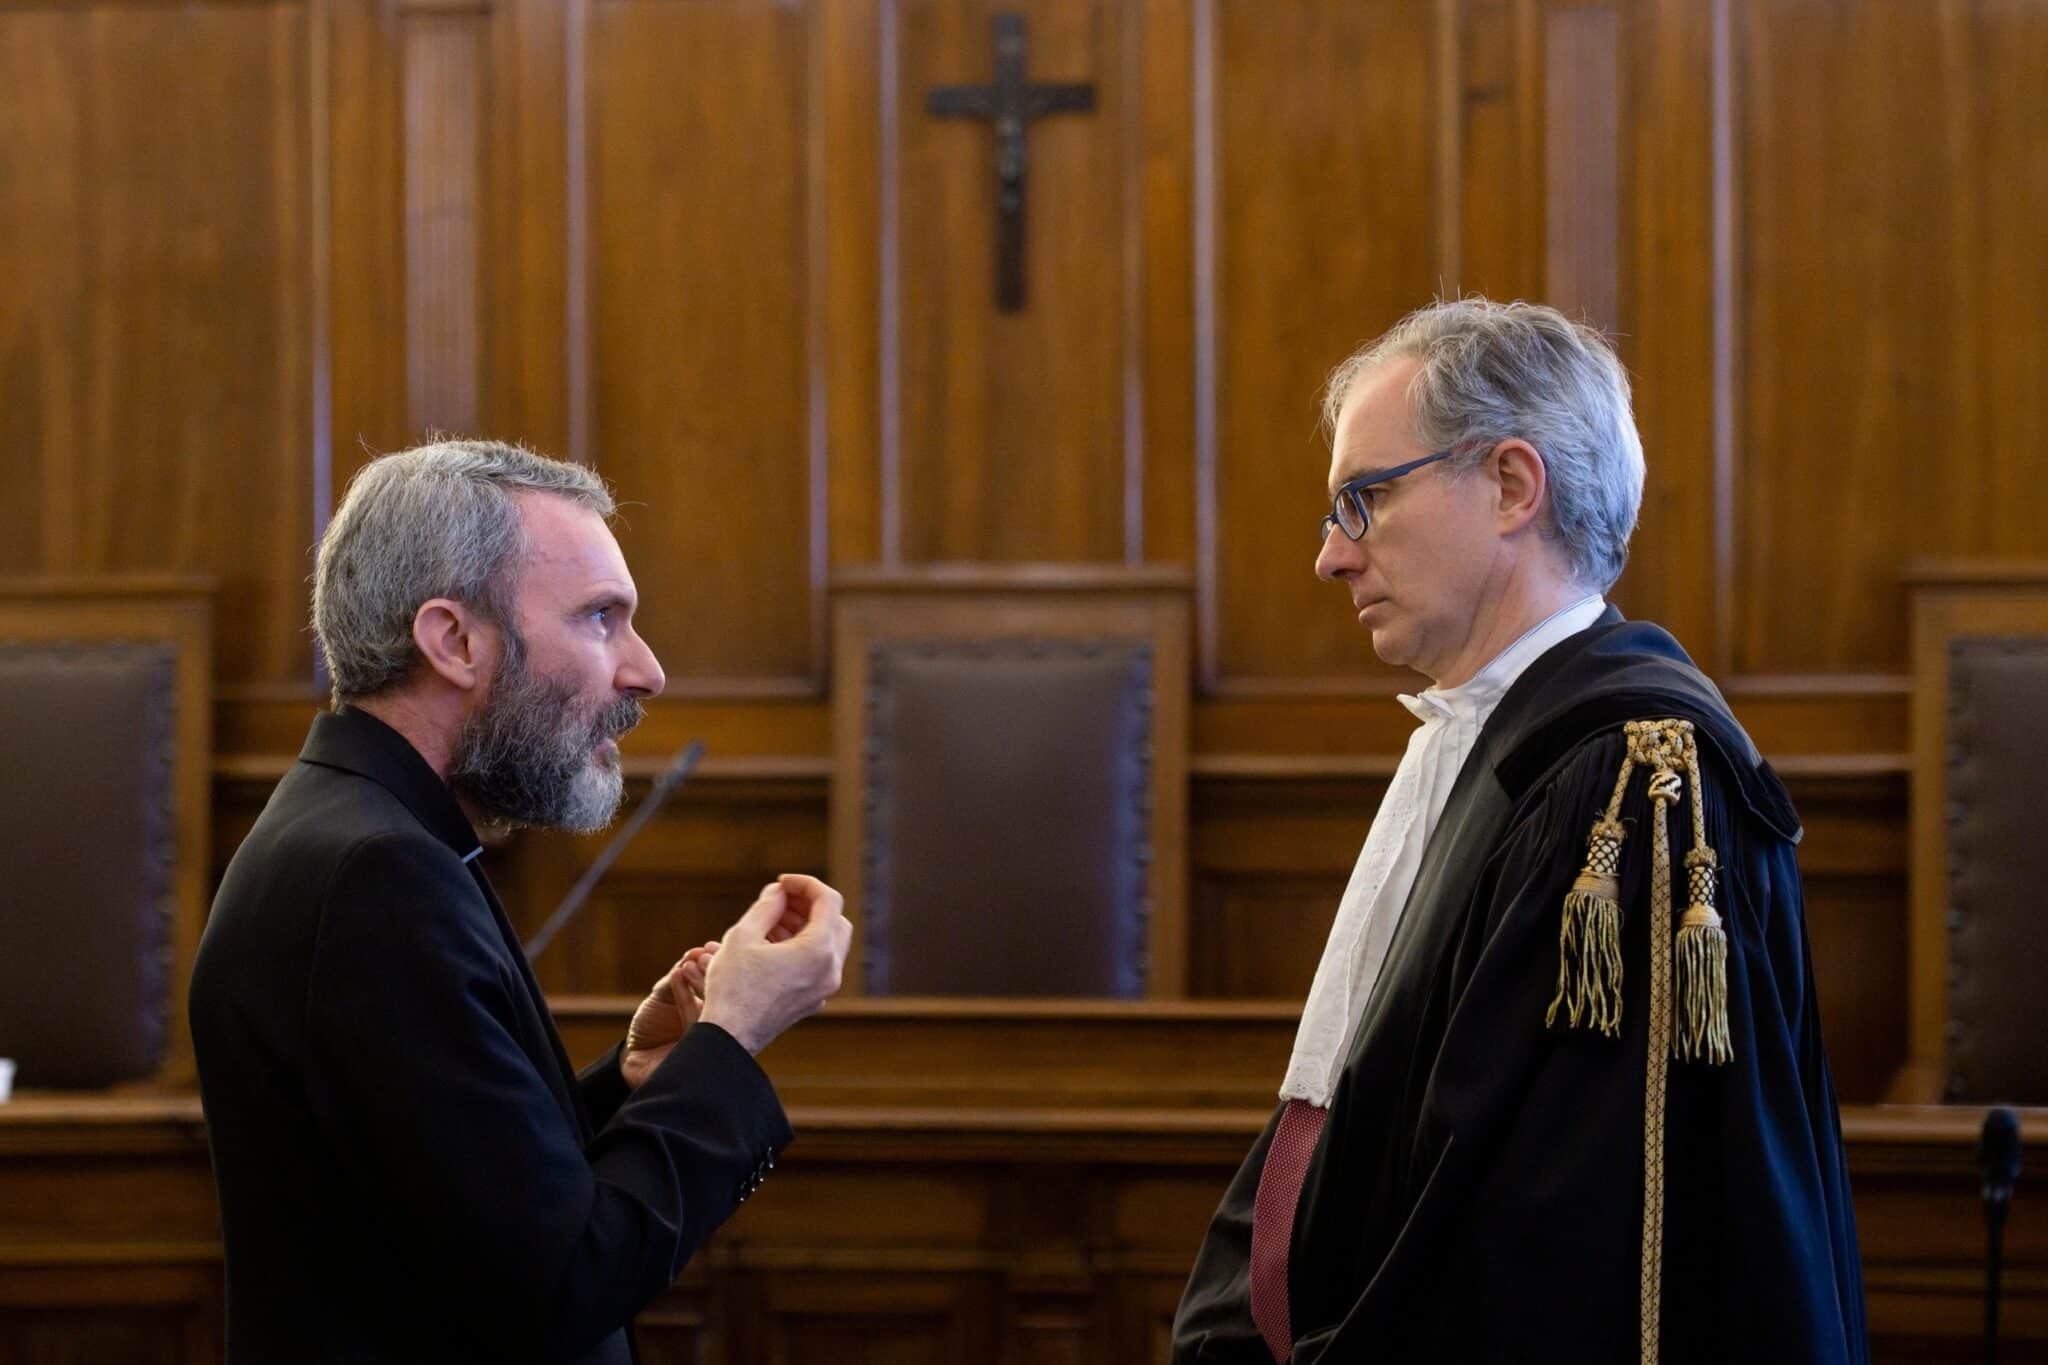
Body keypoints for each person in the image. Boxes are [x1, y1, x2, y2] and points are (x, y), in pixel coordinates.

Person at [1170, 300, 1867, 1364]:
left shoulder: (1628, 772)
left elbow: (1552, 1237)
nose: (1329, 557)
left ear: (1508, 484)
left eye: (1362, 499)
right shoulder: (1489, 738)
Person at [189, 440, 852, 1364]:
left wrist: (632, 1083)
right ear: (454, 641)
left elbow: (458, 1201)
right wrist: (730, 1038)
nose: (646, 669)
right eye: (599, 619)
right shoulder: (376, 875)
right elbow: (561, 1280)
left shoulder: (364, 832)